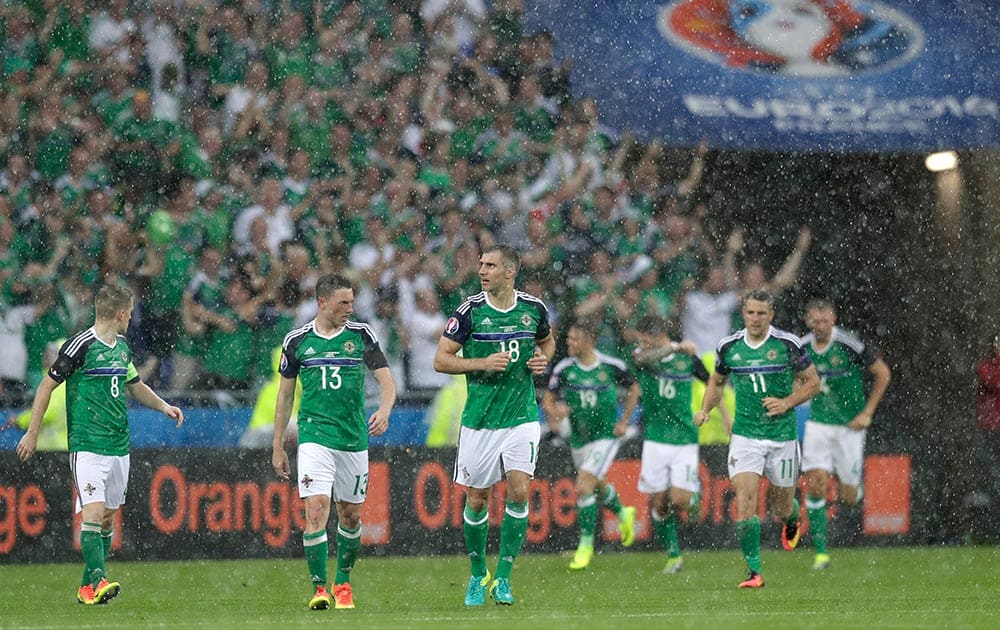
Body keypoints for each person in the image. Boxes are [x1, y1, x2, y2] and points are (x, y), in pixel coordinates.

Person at [15, 284, 185, 605]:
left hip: (119, 445)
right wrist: (32, 432)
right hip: (88, 444)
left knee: (107, 518)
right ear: (120, 313)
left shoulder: (122, 347)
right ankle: (100, 579)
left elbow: (135, 386)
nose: (131, 317)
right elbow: (45, 388)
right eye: (130, 312)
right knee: (91, 514)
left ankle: (86, 587)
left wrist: (164, 406)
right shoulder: (79, 346)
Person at [433, 244, 555, 607]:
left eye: (490, 265)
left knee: (519, 490)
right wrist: (481, 363)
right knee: (477, 499)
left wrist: (542, 361)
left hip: (521, 417)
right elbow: (440, 360)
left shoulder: (533, 309)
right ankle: (476, 575)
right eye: (481, 264)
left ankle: (503, 577)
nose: (482, 271)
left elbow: (546, 343)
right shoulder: (469, 312)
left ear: (510, 272)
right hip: (480, 420)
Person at [271, 273, 397, 611]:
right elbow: (284, 397)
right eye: (343, 302)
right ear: (322, 302)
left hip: (353, 438)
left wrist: (384, 410)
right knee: (315, 510)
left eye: (352, 302)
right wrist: (278, 445)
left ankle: (343, 581)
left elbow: (387, 383)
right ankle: (319, 588)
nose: (350, 309)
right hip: (314, 436)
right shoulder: (298, 341)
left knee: (351, 516)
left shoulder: (361, 335)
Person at [694, 289, 819, 589]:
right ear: (744, 314)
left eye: (761, 313)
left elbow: (813, 382)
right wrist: (705, 409)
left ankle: (791, 519)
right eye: (750, 312)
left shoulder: (787, 344)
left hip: (782, 435)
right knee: (745, 498)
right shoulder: (729, 346)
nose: (755, 318)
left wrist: (787, 402)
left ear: (771, 315)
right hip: (745, 435)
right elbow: (717, 381)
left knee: (780, 507)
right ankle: (754, 572)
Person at [542, 318, 639, 571]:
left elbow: (635, 389)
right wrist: (556, 411)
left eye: (575, 339)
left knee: (583, 484)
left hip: (605, 437)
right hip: (579, 439)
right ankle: (622, 512)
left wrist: (624, 421)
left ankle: (585, 545)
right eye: (569, 338)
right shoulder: (564, 368)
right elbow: (548, 401)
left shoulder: (611, 366)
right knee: (594, 485)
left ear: (590, 340)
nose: (570, 343)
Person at [800, 299, 890, 570]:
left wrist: (867, 413)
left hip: (849, 427)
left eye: (824, 321)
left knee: (849, 496)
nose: (819, 326)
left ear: (833, 320)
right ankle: (821, 551)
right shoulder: (802, 348)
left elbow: (883, 374)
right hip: (818, 423)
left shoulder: (849, 345)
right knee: (816, 482)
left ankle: (855, 489)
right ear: (808, 321)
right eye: (815, 321)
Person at [632, 315, 712, 574]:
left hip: (684, 438)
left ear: (657, 337)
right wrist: (676, 346)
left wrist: (707, 409)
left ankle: (693, 494)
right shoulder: (644, 356)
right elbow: (641, 359)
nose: (641, 345)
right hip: (655, 439)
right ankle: (673, 555)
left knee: (680, 501)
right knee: (659, 503)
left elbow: (713, 382)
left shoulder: (687, 360)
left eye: (645, 341)